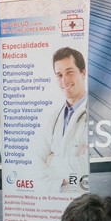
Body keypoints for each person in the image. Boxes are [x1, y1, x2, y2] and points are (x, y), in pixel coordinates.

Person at [34, 47, 88, 194]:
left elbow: (87, 165)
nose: (64, 80)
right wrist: (63, 178)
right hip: (55, 201)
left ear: (83, 73)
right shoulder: (53, 118)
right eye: (59, 75)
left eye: (69, 72)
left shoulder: (95, 114)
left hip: (82, 201)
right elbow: (35, 161)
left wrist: (52, 161)